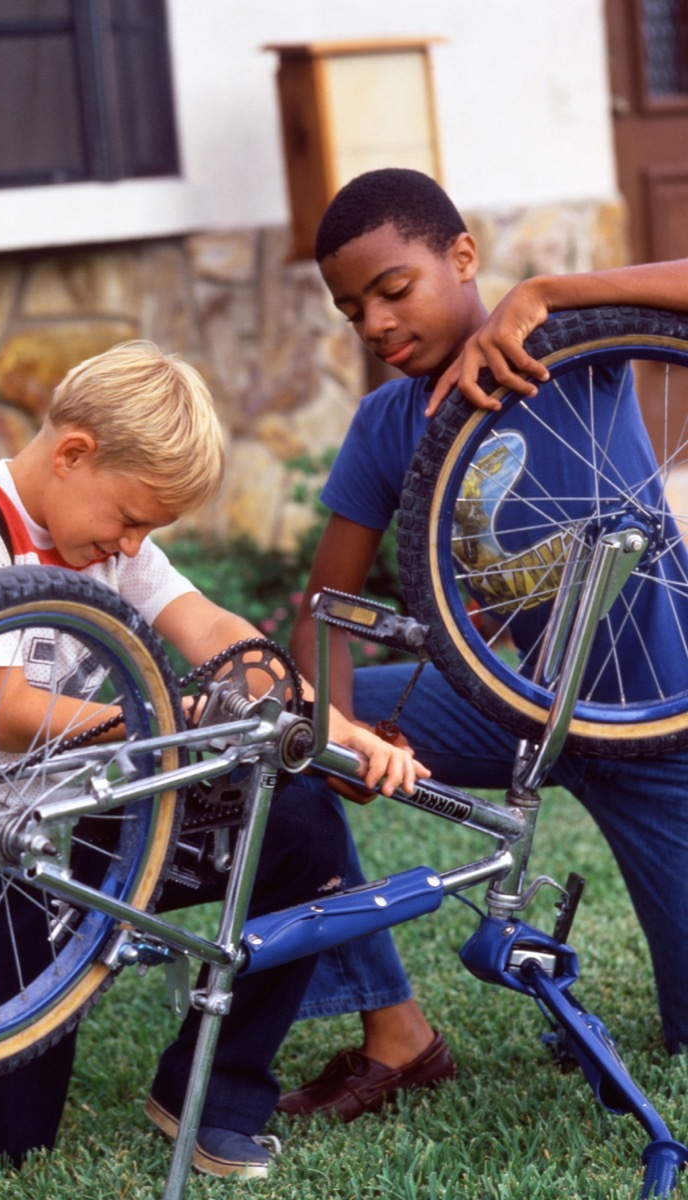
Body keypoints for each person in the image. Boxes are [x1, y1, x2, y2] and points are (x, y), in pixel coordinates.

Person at [0, 338, 434, 1179]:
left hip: (92, 807)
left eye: (147, 531)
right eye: (130, 519)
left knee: (300, 827)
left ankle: (212, 1095)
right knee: (4, 1139)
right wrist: (176, 719)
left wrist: (334, 726)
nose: (131, 544)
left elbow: (212, 630)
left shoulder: (110, 540)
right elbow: (7, 714)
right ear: (73, 455)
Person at [277, 167, 688, 1123]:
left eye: (394, 289)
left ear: (462, 258)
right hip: (501, 702)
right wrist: (331, 719)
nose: (376, 324)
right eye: (351, 311)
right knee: (273, 736)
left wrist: (544, 292)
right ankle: (397, 1033)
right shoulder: (385, 426)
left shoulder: (568, 349)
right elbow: (325, 603)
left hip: (656, 722)